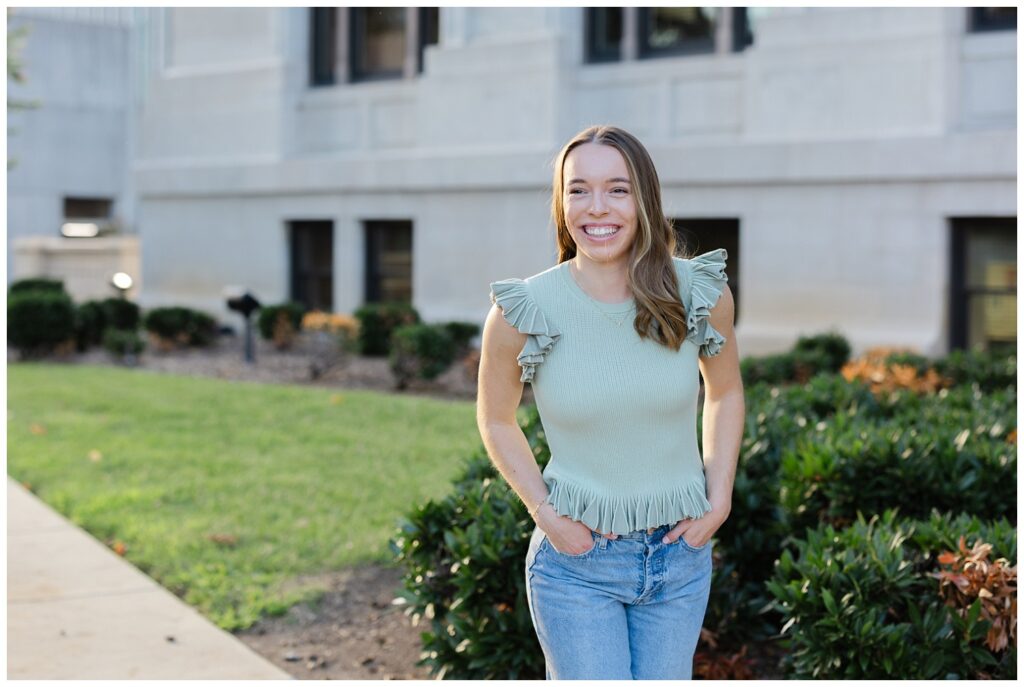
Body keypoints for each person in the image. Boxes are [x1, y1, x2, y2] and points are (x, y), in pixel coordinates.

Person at [476, 124, 745, 680]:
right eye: (578, 190)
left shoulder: (699, 291)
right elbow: (496, 419)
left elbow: (725, 390)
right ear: (561, 202)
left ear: (644, 198)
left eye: (617, 189)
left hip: (681, 559)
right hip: (577, 564)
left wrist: (719, 496)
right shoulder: (522, 309)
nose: (597, 207)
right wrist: (545, 515)